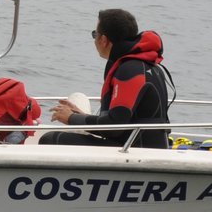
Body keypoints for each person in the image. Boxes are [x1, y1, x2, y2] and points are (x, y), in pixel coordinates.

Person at [41, 8, 170, 148]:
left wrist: (72, 118)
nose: (95, 39)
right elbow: (121, 121)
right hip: (140, 145)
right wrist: (81, 115)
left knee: (51, 139)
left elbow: (114, 127)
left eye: (95, 34)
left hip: (137, 151)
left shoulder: (130, 70)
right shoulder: (147, 65)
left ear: (103, 39)